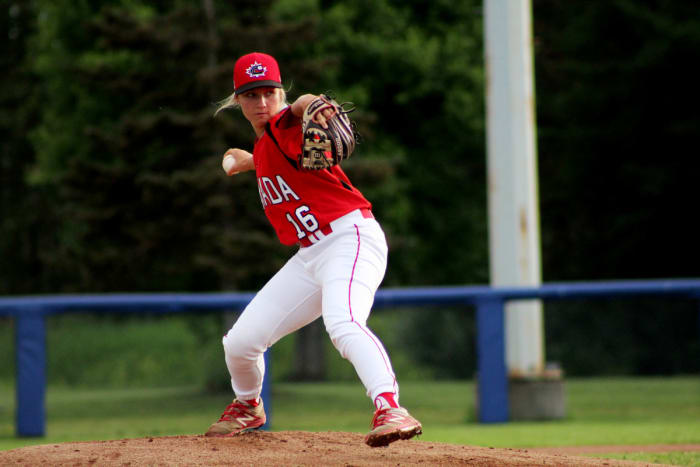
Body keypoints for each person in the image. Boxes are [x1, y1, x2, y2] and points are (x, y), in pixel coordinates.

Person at [205, 52, 422, 448]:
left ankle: (390, 407)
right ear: (238, 101)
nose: (263, 103)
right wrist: (247, 161)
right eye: (251, 95)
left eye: (270, 92)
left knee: (343, 324)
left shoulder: (289, 122)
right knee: (239, 343)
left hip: (350, 238)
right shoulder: (270, 142)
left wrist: (308, 100)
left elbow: (301, 105)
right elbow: (277, 159)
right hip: (310, 256)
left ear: (280, 92)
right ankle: (247, 405)